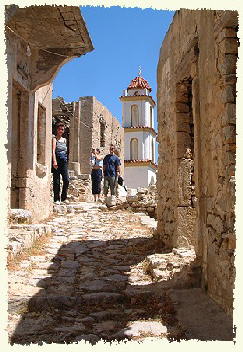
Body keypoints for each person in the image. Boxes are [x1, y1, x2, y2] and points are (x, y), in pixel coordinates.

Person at [52, 123, 69, 204]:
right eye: (59, 129)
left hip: (64, 161)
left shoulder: (65, 140)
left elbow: (66, 151)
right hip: (57, 161)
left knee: (66, 180)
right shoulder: (54, 139)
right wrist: (54, 161)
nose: (61, 131)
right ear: (57, 130)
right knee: (57, 181)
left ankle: (63, 197)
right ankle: (56, 199)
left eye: (62, 129)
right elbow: (53, 151)